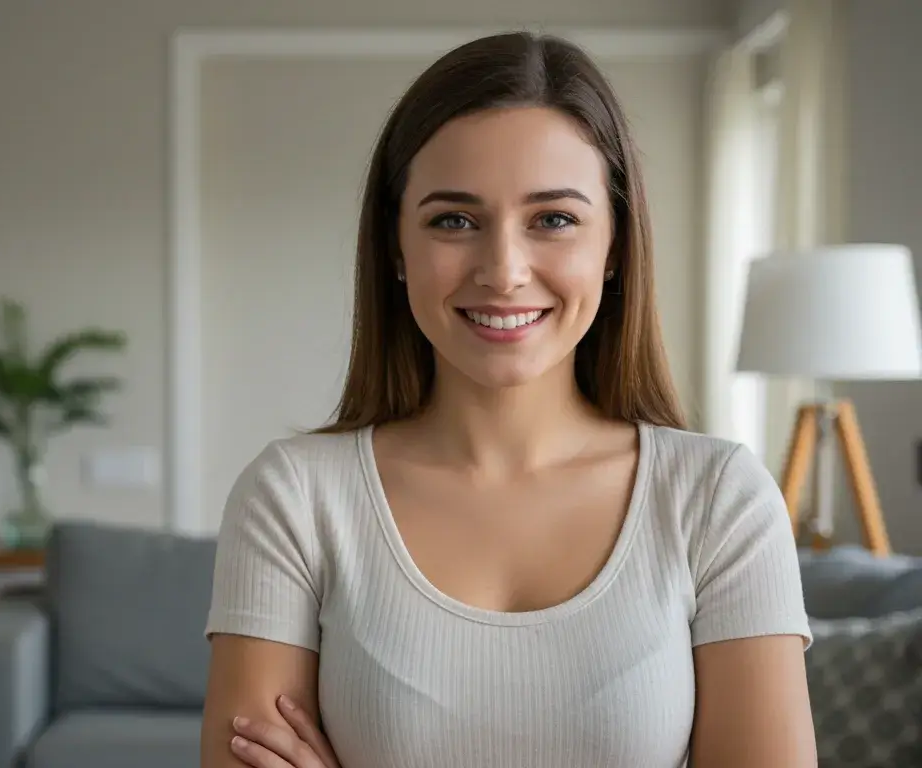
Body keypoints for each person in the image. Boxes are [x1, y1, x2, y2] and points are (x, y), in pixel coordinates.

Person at [200, 32, 816, 768]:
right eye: (453, 220)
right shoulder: (293, 497)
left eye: (553, 219)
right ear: (396, 248)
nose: (503, 270)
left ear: (615, 246)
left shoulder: (719, 499)